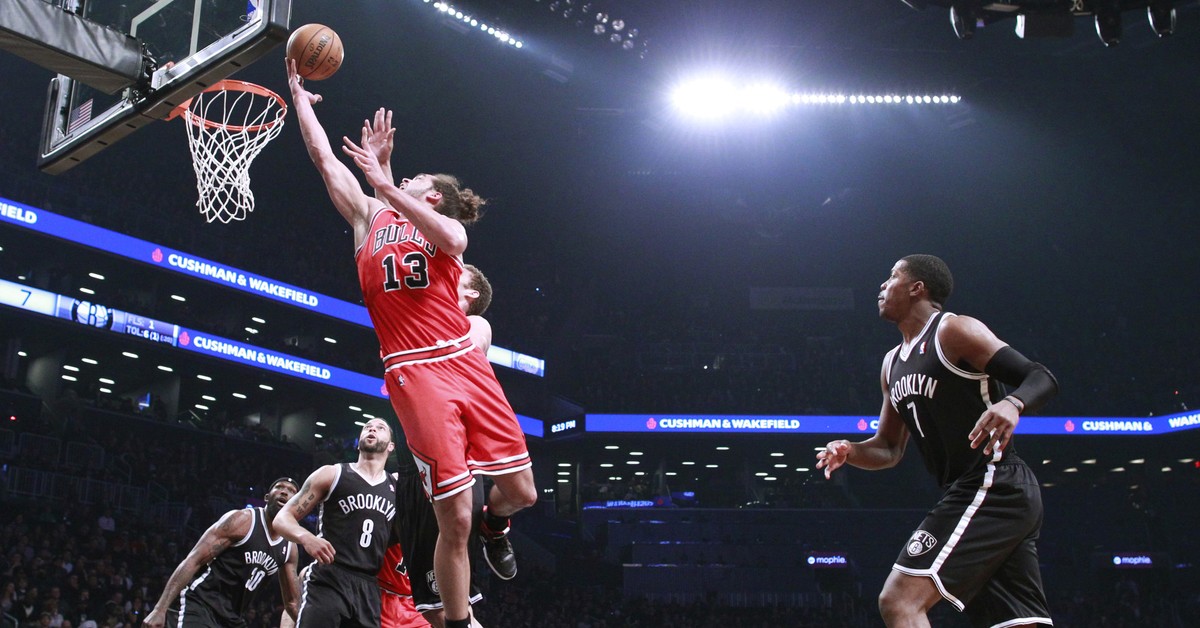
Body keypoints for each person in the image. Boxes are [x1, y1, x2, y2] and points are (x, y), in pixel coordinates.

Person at [286, 62, 536, 628]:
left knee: (522, 493)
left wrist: (386, 182)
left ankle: (498, 525)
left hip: (463, 364)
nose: (405, 178)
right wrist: (300, 100)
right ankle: (456, 621)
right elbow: (325, 159)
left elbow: (456, 237)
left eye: (416, 179)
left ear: (434, 196)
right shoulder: (369, 217)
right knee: (455, 520)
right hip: (414, 371)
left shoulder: (441, 232)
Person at [816, 254, 1057, 628]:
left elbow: (1040, 376)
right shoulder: (891, 364)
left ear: (917, 288)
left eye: (892, 276)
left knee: (899, 601)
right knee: (1020, 625)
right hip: (981, 491)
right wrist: (851, 451)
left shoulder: (954, 331)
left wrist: (1013, 403)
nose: (882, 285)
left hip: (993, 482)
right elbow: (889, 448)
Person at [379, 263, 494, 628]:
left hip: (449, 463)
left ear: (471, 293)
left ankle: (499, 528)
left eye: (456, 274)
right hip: (412, 468)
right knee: (433, 608)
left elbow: (466, 353)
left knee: (449, 606)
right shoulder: (420, 322)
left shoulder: (473, 324)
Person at [273, 418, 397, 627]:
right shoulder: (333, 474)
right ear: (358, 441)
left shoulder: (397, 487)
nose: (372, 429)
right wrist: (307, 538)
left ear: (391, 446)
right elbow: (282, 518)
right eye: (367, 427)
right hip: (330, 577)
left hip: (368, 586)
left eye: (380, 428)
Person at [144, 478, 301, 628]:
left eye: (291, 491)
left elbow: (292, 603)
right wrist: (159, 609)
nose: (284, 492)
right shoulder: (242, 520)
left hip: (232, 618)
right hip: (200, 603)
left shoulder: (290, 547)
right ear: (267, 497)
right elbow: (193, 560)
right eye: (279, 487)